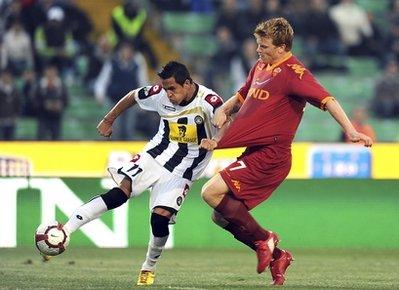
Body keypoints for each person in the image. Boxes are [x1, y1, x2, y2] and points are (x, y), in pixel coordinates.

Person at [199, 17, 373, 286]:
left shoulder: (295, 72)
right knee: (221, 217)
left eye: (264, 46)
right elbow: (243, 95)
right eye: (258, 44)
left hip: (272, 155)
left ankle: (265, 239)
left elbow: (328, 100)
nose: (259, 50)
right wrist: (225, 108)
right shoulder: (260, 66)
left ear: (282, 48)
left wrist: (350, 131)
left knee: (209, 192)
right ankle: (279, 256)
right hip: (254, 151)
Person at [58, 61, 223, 286]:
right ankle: (66, 230)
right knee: (119, 193)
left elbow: (226, 121)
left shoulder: (209, 100)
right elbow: (133, 96)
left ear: (188, 83)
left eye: (172, 89)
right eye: (165, 89)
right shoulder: (160, 94)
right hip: (155, 154)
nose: (168, 94)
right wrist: (108, 119)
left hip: (186, 168)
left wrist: (216, 140)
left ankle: (149, 266)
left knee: (159, 219)